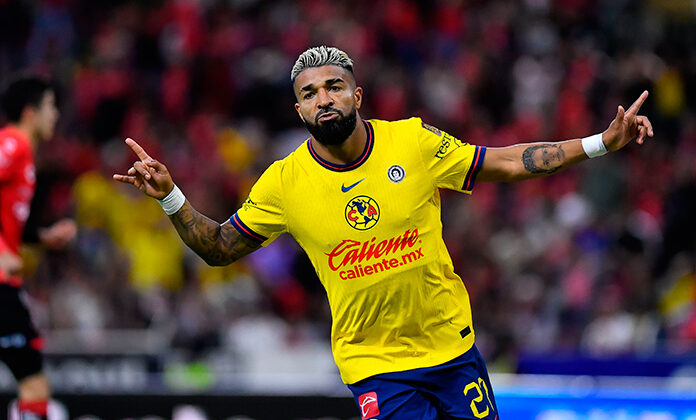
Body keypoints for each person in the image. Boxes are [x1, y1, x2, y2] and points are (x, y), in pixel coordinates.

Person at [114, 46, 654, 419]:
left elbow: (508, 162)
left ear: (357, 95)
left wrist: (600, 143)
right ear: (298, 109)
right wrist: (170, 195)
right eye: (310, 93)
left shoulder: (412, 142)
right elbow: (218, 248)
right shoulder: (283, 182)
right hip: (377, 367)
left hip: (451, 348)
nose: (324, 98)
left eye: (334, 87)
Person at [0, 76, 76, 420]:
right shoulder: (13, 144)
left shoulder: (24, 154)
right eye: (50, 106)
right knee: (34, 386)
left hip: (7, 284)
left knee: (33, 383)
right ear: (31, 113)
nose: (55, 115)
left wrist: (43, 237)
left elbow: (11, 223)